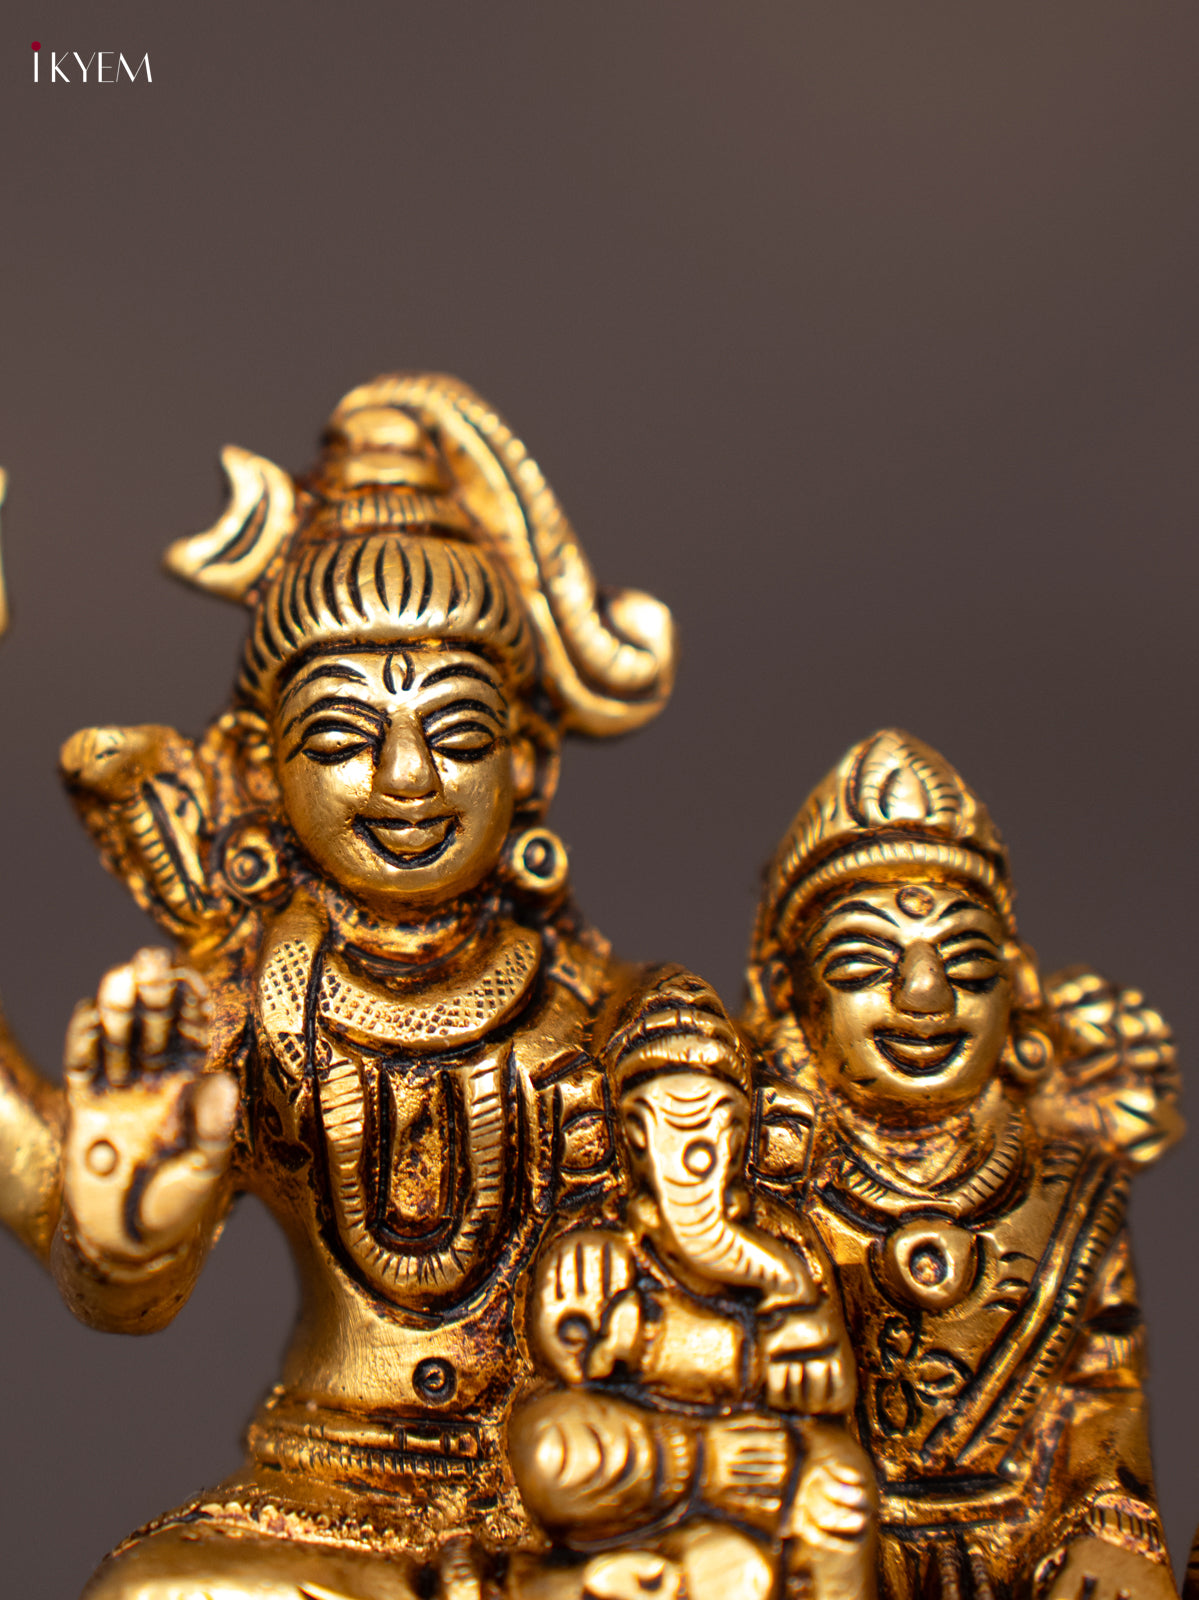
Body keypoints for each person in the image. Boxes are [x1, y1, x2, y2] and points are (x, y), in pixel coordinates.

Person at [41, 375, 869, 1600]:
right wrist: (125, 1233)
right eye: (341, 737)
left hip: (575, 1497)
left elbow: (753, 1261)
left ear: (528, 761)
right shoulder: (247, 1008)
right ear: (262, 767)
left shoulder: (619, 1020)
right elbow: (125, 1290)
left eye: (459, 732)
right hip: (319, 1498)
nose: (405, 777)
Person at [741, 728, 1181, 1600]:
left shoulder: (1070, 1191)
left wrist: (1108, 1521)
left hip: (1026, 1553)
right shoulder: (747, 1183)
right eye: (864, 961)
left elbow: (1102, 1394)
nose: (924, 995)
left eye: (966, 963)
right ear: (786, 993)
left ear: (1017, 988)